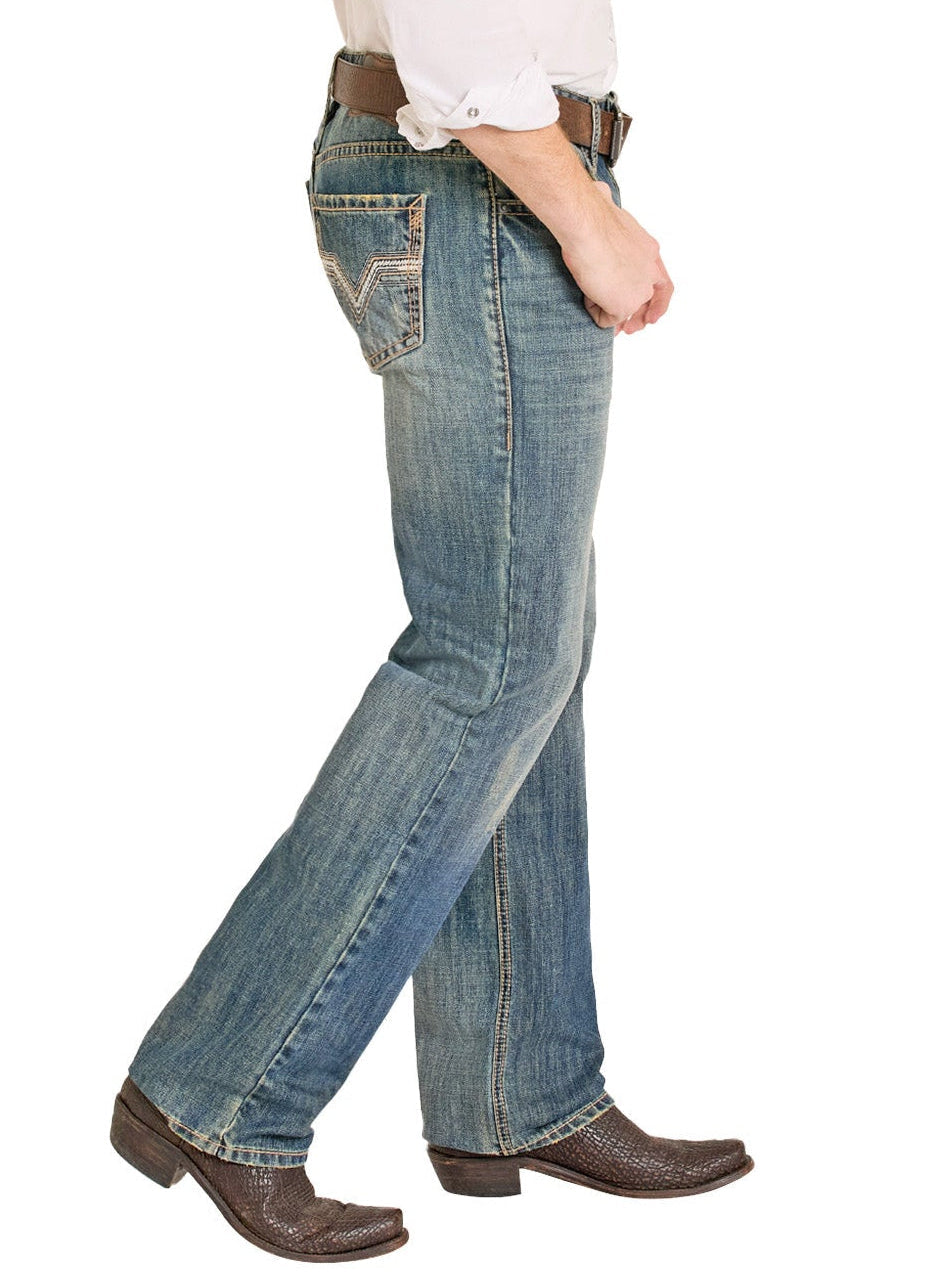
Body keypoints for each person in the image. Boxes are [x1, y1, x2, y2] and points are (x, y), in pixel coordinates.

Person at [110, 0, 752, 1263]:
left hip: (474, 175)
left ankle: (516, 1085)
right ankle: (216, 1084)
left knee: (532, 648)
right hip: (484, 181)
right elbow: (458, 39)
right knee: (491, 657)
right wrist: (584, 212)